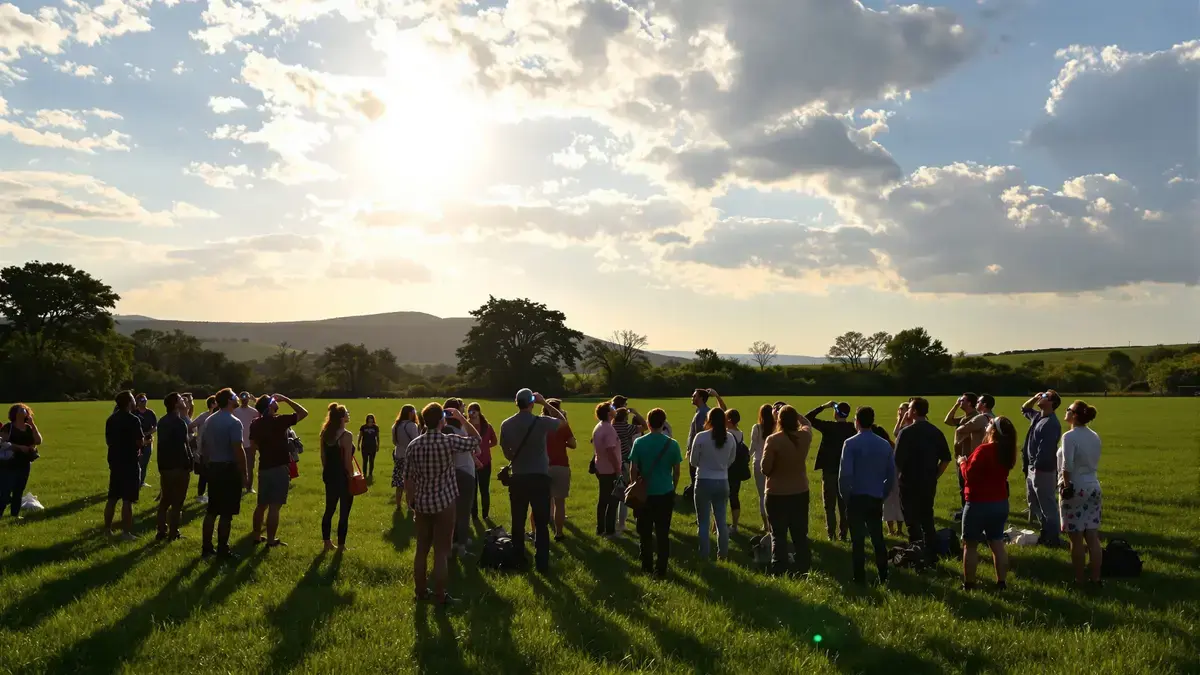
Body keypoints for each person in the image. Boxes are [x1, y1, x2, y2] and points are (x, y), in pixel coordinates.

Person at [405, 403, 481, 605]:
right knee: (441, 552)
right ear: (442, 421)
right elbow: (476, 440)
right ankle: (440, 595)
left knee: (421, 550)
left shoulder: (414, 445)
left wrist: (411, 502)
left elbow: (408, 478)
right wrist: (462, 418)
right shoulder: (448, 441)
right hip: (445, 502)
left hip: (422, 503)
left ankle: (420, 592)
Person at [499, 389, 565, 573]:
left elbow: (506, 452)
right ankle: (542, 562)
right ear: (531, 403)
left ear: (516, 402)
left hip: (518, 477)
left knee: (518, 521)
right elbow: (563, 422)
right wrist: (545, 403)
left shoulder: (506, 424)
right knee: (542, 522)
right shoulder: (541, 421)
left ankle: (518, 559)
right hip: (539, 477)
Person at [958, 415, 1017, 590]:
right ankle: (1001, 582)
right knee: (997, 543)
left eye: (990, 423)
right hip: (999, 502)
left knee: (970, 544)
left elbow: (969, 475)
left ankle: (969, 583)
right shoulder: (1007, 451)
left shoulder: (984, 450)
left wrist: (962, 463)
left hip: (978, 502)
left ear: (994, 430)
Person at [840, 407, 896, 585]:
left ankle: (859, 578)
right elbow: (891, 475)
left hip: (856, 497)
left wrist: (846, 497)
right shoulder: (884, 444)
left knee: (857, 542)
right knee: (877, 538)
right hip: (875, 497)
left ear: (857, 421)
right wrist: (882, 494)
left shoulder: (850, 443)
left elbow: (845, 475)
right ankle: (883, 576)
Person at [894, 397, 952, 561]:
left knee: (911, 520)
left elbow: (897, 462)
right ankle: (931, 551)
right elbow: (946, 459)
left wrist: (894, 481)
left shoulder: (906, 433)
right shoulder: (935, 431)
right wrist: (935, 475)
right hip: (928, 482)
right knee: (927, 517)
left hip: (908, 483)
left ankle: (916, 553)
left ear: (914, 411)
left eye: (909, 408)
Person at [249, 394, 308, 547]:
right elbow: (303, 413)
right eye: (273, 401)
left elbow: (253, 446)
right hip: (280, 467)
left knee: (261, 505)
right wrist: (287, 400)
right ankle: (271, 540)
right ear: (269, 407)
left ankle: (256, 536)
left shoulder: (255, 424)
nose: (276, 402)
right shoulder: (280, 420)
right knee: (275, 506)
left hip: (264, 467)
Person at [761, 406, 813, 576]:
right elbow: (807, 423)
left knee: (778, 534)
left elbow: (765, 468)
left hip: (776, 493)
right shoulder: (804, 436)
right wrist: (796, 414)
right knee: (800, 533)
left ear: (779, 420)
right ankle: (803, 567)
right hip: (800, 491)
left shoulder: (773, 440)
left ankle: (779, 568)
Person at [630, 408, 681, 577]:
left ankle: (646, 566)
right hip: (665, 492)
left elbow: (633, 468)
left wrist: (634, 484)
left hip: (645, 494)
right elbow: (676, 472)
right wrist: (674, 487)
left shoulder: (639, 442)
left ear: (648, 422)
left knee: (644, 532)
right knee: (662, 533)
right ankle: (661, 568)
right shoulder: (672, 444)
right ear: (663, 423)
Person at [199, 388, 251, 559]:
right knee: (226, 513)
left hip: (213, 468)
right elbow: (238, 450)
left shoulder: (209, 420)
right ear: (229, 401)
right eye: (234, 396)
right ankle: (223, 549)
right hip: (228, 470)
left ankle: (206, 548)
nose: (237, 398)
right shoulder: (234, 422)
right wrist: (244, 473)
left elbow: (204, 446)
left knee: (212, 510)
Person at [1059, 400, 1103, 585]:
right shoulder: (1094, 436)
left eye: (1069, 409)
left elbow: (1067, 465)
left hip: (1076, 487)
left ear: (1075, 415)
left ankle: (1079, 579)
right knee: (1092, 536)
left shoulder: (1069, 436)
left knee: (1076, 538)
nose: (1066, 411)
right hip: (1093, 486)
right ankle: (1096, 578)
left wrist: (1066, 486)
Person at [690, 408, 737, 559]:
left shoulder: (701, 437)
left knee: (703, 522)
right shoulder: (730, 437)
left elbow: (693, 461)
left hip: (703, 479)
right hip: (722, 480)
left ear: (708, 420)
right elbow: (731, 459)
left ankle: (704, 554)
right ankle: (722, 554)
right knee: (721, 522)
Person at [807, 400, 856, 542]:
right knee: (844, 505)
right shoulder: (852, 428)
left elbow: (807, 418)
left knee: (829, 505)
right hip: (846, 471)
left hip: (829, 471)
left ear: (836, 413)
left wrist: (823, 406)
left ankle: (831, 534)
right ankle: (843, 534)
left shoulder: (829, 427)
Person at [1021, 390, 1063, 547]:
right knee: (1034, 503)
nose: (1041, 397)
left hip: (1042, 470)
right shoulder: (1038, 416)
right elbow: (1025, 409)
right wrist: (1034, 397)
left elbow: (1045, 450)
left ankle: (1053, 538)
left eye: (1045, 396)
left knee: (1047, 505)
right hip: (1032, 468)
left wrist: (1037, 467)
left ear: (1052, 403)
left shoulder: (1051, 423)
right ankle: (1045, 531)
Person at [156, 393, 195, 541]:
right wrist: (190, 462)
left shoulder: (162, 421)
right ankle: (174, 532)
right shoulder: (180, 423)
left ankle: (161, 530)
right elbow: (184, 446)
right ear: (175, 404)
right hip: (179, 466)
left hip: (165, 466)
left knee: (165, 500)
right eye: (180, 399)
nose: (183, 400)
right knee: (177, 502)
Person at [103, 393, 143, 538]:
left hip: (115, 461)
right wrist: (144, 443)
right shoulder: (134, 420)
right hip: (130, 462)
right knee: (127, 500)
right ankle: (126, 532)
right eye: (133, 399)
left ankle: (107, 530)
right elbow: (139, 442)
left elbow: (109, 441)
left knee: (112, 497)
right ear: (129, 402)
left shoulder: (111, 419)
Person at [319, 403, 357, 551]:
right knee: (344, 512)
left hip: (329, 474)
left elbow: (323, 457)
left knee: (329, 509)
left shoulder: (325, 433)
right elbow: (347, 460)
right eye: (347, 412)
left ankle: (327, 542)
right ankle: (341, 545)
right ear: (342, 418)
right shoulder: (346, 435)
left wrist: (328, 471)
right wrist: (351, 476)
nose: (349, 414)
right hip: (343, 476)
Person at [441, 398, 476, 557]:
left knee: (457, 511)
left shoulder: (453, 427)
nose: (464, 410)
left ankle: (457, 540)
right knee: (462, 511)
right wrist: (462, 418)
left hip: (461, 470)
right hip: (462, 472)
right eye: (462, 407)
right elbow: (475, 439)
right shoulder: (450, 430)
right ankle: (460, 545)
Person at [944, 393, 990, 511]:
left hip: (969, 456)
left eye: (962, 400)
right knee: (962, 486)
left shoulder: (976, 417)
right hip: (961, 456)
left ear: (969, 403)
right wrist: (955, 405)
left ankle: (969, 510)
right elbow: (947, 421)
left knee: (968, 485)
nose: (960, 401)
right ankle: (965, 509)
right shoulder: (965, 417)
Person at [0, 403, 42, 520]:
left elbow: (38, 441)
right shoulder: (9, 427)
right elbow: (2, 443)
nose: (24, 410)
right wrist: (19, 447)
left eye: (25, 409)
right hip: (9, 463)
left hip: (24, 463)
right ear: (15, 413)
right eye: (21, 409)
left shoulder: (28, 428)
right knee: (5, 491)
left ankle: (15, 515)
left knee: (19, 490)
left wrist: (33, 425)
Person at [543, 398, 575, 540]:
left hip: (542, 466)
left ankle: (539, 533)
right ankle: (559, 533)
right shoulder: (562, 425)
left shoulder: (539, 424)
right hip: (561, 465)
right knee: (560, 502)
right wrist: (562, 442)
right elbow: (573, 444)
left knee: (541, 501)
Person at [685, 388, 726, 499]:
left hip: (699, 451)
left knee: (696, 476)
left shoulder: (704, 413)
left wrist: (716, 395)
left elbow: (723, 411)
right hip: (695, 449)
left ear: (701, 398)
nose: (692, 397)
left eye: (694, 396)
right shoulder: (700, 411)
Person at [590, 402, 622, 538]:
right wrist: (618, 469)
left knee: (603, 499)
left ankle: (600, 528)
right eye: (612, 408)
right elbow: (610, 451)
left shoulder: (599, 426)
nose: (615, 409)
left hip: (601, 467)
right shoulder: (609, 429)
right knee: (612, 501)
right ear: (609, 413)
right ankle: (609, 530)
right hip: (610, 470)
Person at [611, 406, 642, 535]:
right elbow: (645, 426)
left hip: (611, 464)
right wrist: (636, 413)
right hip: (624, 463)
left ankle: (611, 523)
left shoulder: (611, 426)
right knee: (624, 494)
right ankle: (622, 524)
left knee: (612, 495)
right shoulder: (626, 427)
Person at [748, 404, 775, 538]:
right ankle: (773, 523)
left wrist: (745, 457)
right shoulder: (776, 427)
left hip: (758, 462)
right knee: (773, 494)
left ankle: (766, 524)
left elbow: (753, 447)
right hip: (773, 463)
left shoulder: (757, 428)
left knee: (762, 495)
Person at [467, 403, 498, 521]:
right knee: (473, 491)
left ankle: (485, 515)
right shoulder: (466, 427)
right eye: (470, 411)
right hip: (471, 462)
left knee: (484, 490)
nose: (472, 414)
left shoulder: (487, 426)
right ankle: (474, 515)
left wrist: (485, 447)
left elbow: (495, 441)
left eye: (474, 411)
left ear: (479, 412)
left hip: (485, 462)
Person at [884, 402, 911, 535]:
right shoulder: (901, 424)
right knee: (892, 495)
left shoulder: (909, 426)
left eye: (903, 409)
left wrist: (901, 419)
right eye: (899, 409)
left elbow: (896, 433)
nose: (900, 411)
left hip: (904, 464)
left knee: (900, 496)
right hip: (896, 463)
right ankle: (893, 529)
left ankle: (900, 528)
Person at [190, 396, 218, 504]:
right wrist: (195, 438)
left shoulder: (219, 417)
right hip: (204, 451)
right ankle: (200, 495)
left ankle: (212, 496)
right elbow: (191, 426)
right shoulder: (204, 416)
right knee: (204, 475)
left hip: (215, 451)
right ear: (212, 404)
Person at [392, 406, 420, 511]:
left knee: (399, 483)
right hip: (410, 458)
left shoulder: (395, 426)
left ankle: (398, 505)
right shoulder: (412, 426)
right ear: (410, 413)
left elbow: (394, 442)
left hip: (398, 456)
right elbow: (416, 441)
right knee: (410, 483)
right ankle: (409, 506)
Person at [233, 392, 261, 494]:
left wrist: (256, 400)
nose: (244, 400)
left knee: (250, 466)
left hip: (250, 444)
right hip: (238, 443)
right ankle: (240, 486)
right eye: (242, 398)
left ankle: (249, 487)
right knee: (238, 467)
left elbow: (262, 414)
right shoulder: (235, 411)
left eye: (246, 398)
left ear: (249, 399)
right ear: (240, 399)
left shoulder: (254, 411)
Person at [725, 409, 747, 534]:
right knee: (734, 496)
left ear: (729, 420)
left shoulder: (727, 434)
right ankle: (735, 525)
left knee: (721, 499)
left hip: (727, 468)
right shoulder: (740, 433)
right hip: (737, 469)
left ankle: (716, 526)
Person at [133, 394, 158, 488]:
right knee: (136, 463)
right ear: (137, 402)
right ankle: (134, 481)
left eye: (145, 400)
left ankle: (141, 481)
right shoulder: (134, 413)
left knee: (144, 463)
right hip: (136, 441)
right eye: (142, 400)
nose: (144, 402)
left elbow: (155, 427)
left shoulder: (150, 413)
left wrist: (147, 433)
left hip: (148, 441)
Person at [358, 414, 381, 479]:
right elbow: (360, 436)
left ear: (373, 419)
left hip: (373, 446)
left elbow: (377, 437)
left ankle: (370, 473)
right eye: (369, 418)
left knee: (371, 461)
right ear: (367, 419)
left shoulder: (375, 427)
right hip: (364, 446)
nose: (370, 419)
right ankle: (364, 474)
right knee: (365, 461)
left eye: (371, 418)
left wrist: (378, 445)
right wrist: (358, 444)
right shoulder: (363, 427)